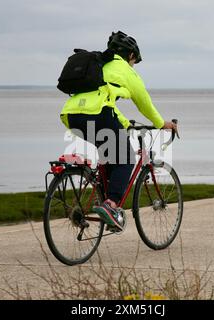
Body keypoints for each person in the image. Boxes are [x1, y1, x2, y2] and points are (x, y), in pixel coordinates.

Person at [59, 31, 177, 231]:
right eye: (134, 61)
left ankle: (102, 209)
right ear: (131, 55)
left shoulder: (99, 64)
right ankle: (111, 205)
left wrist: (123, 123)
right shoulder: (125, 70)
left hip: (71, 115)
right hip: (96, 114)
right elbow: (144, 103)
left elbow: (106, 100)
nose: (133, 65)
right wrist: (161, 123)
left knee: (109, 155)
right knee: (127, 158)